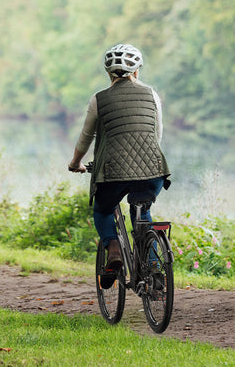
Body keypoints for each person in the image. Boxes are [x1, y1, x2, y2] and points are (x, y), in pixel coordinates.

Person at [68, 43, 171, 286]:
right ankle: (155, 272)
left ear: (109, 73)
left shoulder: (99, 99)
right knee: (143, 213)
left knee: (103, 211)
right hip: (153, 168)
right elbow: (157, 134)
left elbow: (86, 136)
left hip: (113, 172)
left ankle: (113, 250)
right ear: (137, 71)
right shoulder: (152, 95)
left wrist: (75, 163)